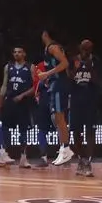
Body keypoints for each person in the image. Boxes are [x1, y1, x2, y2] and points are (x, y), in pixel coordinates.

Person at [59, 39, 100, 175]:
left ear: (91, 50)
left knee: (90, 132)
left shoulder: (95, 62)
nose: (85, 51)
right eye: (83, 49)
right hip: (76, 101)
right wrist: (75, 69)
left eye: (88, 49)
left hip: (90, 101)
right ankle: (81, 159)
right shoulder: (72, 61)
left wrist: (89, 67)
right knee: (76, 132)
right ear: (80, 48)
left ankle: (88, 162)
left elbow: (97, 80)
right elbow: (69, 78)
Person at [36, 30, 71, 168]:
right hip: (55, 84)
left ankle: (66, 149)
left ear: (45, 34)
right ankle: (64, 149)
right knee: (57, 118)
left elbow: (65, 64)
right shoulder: (50, 48)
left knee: (59, 117)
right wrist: (47, 78)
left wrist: (46, 74)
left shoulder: (53, 47)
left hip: (59, 85)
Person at [0, 45, 37, 168]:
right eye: (15, 52)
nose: (17, 54)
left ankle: (23, 157)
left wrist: (22, 95)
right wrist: (0, 102)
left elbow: (35, 87)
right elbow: (4, 85)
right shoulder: (8, 67)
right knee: (5, 128)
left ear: (24, 54)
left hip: (24, 102)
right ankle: (4, 155)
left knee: (23, 130)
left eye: (19, 52)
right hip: (10, 101)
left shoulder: (30, 67)